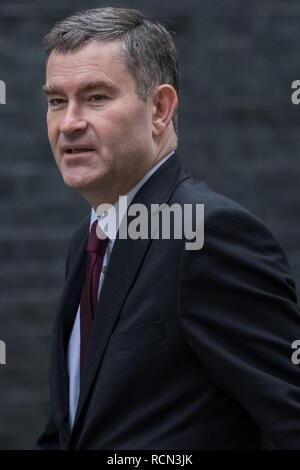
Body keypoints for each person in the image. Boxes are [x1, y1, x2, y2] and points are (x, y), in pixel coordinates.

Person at [36, 7, 300, 450]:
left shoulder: (208, 233)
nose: (69, 123)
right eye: (57, 101)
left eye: (96, 97)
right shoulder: (90, 237)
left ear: (160, 109)